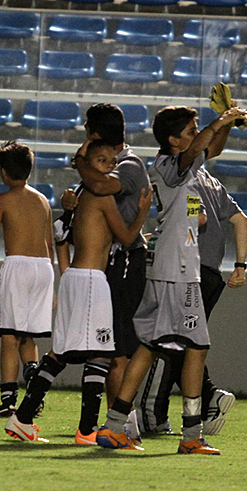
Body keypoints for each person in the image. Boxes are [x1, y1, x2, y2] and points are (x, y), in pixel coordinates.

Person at [96, 103, 247, 454]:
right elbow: (198, 150)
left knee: (150, 346)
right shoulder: (169, 164)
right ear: (173, 141)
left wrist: (226, 124)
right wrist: (221, 120)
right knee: (197, 347)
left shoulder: (185, 172)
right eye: (190, 131)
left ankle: (114, 426)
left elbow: (208, 156)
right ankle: (191, 434)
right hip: (178, 270)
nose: (196, 137)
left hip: (173, 264)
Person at [4, 140, 152, 443]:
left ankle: (22, 418)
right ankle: (87, 430)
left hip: (75, 276)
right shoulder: (101, 195)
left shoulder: (80, 193)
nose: (110, 165)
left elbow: (63, 235)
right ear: (88, 163)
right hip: (90, 279)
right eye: (102, 160)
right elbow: (126, 238)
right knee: (101, 352)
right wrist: (142, 212)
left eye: (112, 160)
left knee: (60, 351)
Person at [136, 143, 247, 436]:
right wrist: (240, 265)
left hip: (188, 269)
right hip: (212, 274)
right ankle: (208, 399)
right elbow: (241, 220)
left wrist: (156, 237)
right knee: (189, 343)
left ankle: (153, 414)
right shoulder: (212, 182)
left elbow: (196, 219)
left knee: (167, 341)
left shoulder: (185, 181)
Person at [58, 103, 151, 444]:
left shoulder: (126, 166)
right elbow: (90, 192)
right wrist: (70, 200)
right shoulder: (103, 165)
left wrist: (79, 161)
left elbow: (99, 187)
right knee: (110, 348)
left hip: (125, 262)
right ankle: (118, 424)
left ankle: (122, 425)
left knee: (118, 349)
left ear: (95, 134)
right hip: (107, 264)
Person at [0, 141, 55, 417]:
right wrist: (52, 284)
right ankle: (33, 391)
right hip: (44, 268)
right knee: (29, 336)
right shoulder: (43, 200)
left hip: (18, 266)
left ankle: (8, 401)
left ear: (3, 171)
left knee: (9, 336)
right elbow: (49, 242)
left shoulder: (3, 200)